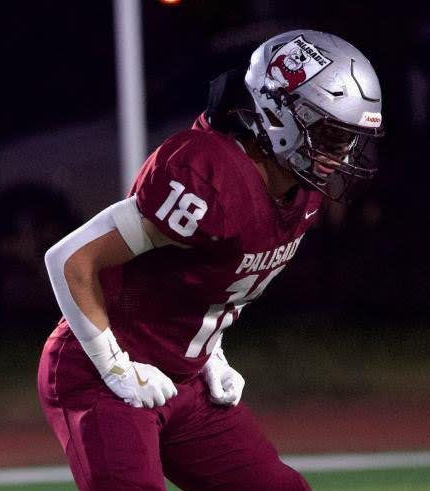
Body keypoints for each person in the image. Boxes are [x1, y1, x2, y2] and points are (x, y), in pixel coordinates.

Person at [38, 30, 383, 491]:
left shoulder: (300, 194)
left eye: (348, 139)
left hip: (182, 379)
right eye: (330, 134)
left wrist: (210, 353)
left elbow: (206, 279)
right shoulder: (208, 177)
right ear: (280, 113)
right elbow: (69, 260)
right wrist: (116, 366)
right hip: (102, 373)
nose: (340, 154)